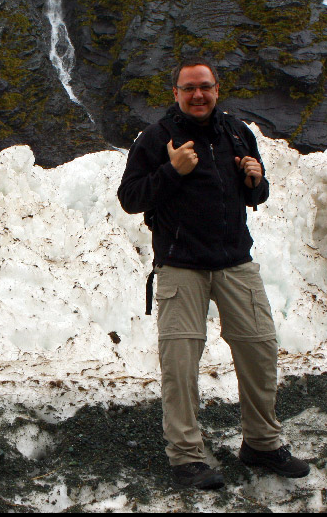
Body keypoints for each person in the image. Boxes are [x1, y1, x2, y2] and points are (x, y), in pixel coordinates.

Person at [117, 57, 310, 490]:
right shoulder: (155, 139)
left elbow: (254, 193)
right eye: (189, 88)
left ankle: (261, 442)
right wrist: (172, 171)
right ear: (176, 94)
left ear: (217, 89)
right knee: (180, 364)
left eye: (204, 86)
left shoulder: (237, 133)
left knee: (260, 350)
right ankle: (186, 456)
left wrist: (255, 182)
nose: (198, 94)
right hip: (180, 265)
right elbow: (130, 198)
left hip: (235, 262)